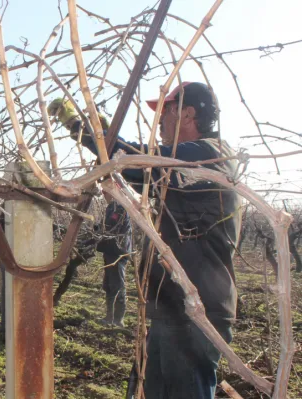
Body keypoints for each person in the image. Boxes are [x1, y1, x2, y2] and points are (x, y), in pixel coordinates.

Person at [66, 82, 241, 399]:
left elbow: (138, 162)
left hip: (193, 311)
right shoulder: (187, 164)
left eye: (166, 112)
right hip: (173, 307)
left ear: (188, 114)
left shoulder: (206, 155)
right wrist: (108, 143)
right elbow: (144, 172)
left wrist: (82, 130)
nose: (159, 121)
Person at [95, 194, 132, 328]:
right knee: (109, 285)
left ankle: (118, 320)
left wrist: (97, 234)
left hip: (118, 252)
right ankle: (109, 317)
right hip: (109, 250)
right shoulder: (111, 207)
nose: (104, 194)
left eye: (105, 190)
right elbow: (104, 226)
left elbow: (111, 227)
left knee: (117, 285)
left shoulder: (120, 207)